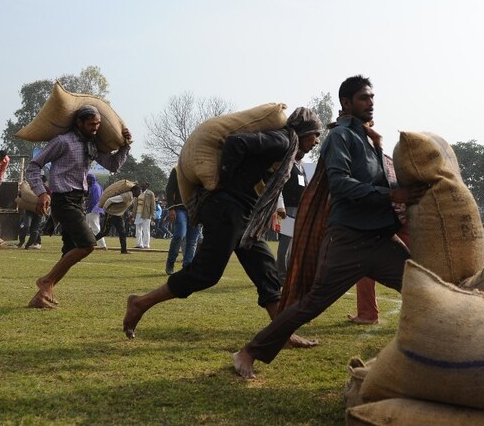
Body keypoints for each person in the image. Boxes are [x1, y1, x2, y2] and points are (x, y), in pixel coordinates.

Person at [233, 75, 429, 379]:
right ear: (347, 103)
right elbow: (340, 185)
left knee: (424, 288)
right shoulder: (341, 138)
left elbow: (378, 183)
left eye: (373, 97)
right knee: (310, 305)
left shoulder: (370, 139)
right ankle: (249, 352)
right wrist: (392, 194)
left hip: (380, 239)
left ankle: (428, 356)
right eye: (364, 98)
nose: (371, 103)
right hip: (348, 241)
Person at [122, 107, 325, 343]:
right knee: (205, 274)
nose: (317, 141)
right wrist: (226, 185)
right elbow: (235, 143)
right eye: (315, 135)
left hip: (244, 216)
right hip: (227, 210)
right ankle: (139, 303)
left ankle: (283, 334)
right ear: (304, 131)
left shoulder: (286, 148)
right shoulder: (280, 141)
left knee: (266, 271)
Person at [26, 105, 131, 309]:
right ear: (79, 123)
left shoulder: (91, 145)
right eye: (91, 124)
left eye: (98, 124)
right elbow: (34, 166)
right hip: (63, 200)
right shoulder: (62, 142)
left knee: (70, 250)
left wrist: (125, 146)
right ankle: (46, 282)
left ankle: (40, 297)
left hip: (77, 201)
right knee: (87, 244)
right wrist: (41, 192)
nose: (95, 128)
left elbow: (113, 165)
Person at [275, 152, 307, 284]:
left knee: (294, 245)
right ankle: (281, 276)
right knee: (285, 244)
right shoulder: (287, 163)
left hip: (299, 208)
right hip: (287, 209)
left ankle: (289, 275)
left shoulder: (302, 167)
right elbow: (279, 186)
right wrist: (280, 206)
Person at [164, 167, 200, 275]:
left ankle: (187, 266)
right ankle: (171, 262)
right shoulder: (177, 169)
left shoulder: (201, 170)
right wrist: (171, 208)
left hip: (195, 209)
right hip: (180, 208)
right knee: (180, 234)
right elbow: (169, 189)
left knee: (192, 240)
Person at [96, 184, 141, 254]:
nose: (140, 193)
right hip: (111, 214)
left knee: (122, 232)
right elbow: (110, 200)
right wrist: (104, 209)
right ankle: (88, 242)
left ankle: (124, 250)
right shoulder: (126, 196)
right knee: (104, 232)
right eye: (139, 191)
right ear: (134, 191)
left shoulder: (132, 197)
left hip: (118, 215)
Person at [85, 173, 106, 250]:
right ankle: (88, 243)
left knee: (95, 227)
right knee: (87, 227)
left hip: (94, 209)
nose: (87, 181)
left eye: (88, 179)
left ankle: (102, 245)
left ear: (91, 179)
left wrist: (89, 205)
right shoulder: (93, 187)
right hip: (91, 209)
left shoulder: (95, 187)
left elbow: (95, 199)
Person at [133, 183, 156, 249]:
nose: (142, 185)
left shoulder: (150, 193)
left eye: (144, 185)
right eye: (142, 184)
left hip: (146, 213)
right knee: (138, 229)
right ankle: (139, 244)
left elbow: (153, 205)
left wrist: (152, 214)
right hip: (138, 213)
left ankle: (146, 244)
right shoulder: (138, 192)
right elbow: (135, 203)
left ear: (147, 186)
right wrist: (133, 214)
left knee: (146, 229)